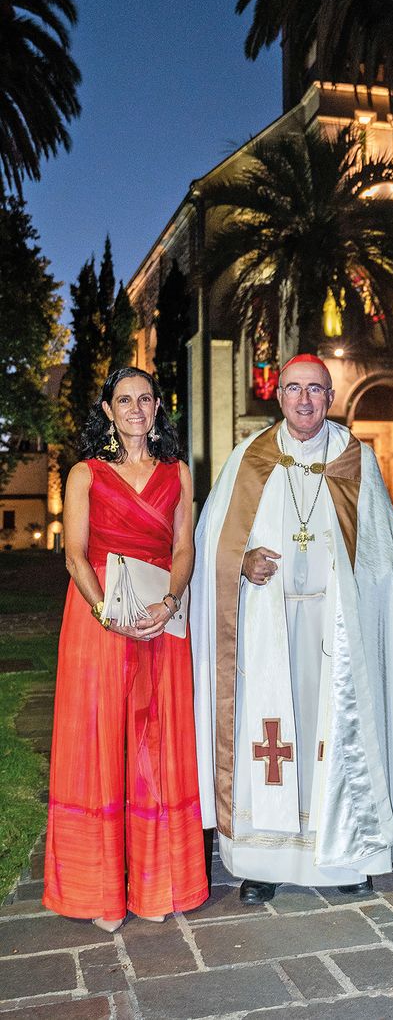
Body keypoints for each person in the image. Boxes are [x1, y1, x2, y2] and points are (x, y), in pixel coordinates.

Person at [191, 354, 393, 903]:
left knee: (335, 736)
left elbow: (382, 555)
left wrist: (353, 590)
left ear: (331, 398)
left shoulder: (355, 460)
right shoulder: (247, 460)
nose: (305, 400)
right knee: (270, 739)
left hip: (336, 632)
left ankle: (344, 857)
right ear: (277, 397)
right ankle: (261, 861)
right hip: (265, 628)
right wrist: (242, 561)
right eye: (294, 390)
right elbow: (212, 548)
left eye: (316, 391)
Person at [43, 367, 209, 931]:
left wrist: (168, 601)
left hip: (161, 619)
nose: (136, 408)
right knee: (102, 740)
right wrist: (107, 613)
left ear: (159, 407)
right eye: (124, 400)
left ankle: (157, 880)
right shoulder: (85, 475)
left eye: (145, 398)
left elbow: (184, 548)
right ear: (108, 411)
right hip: (99, 623)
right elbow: (75, 555)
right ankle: (101, 890)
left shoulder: (178, 474)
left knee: (156, 747)